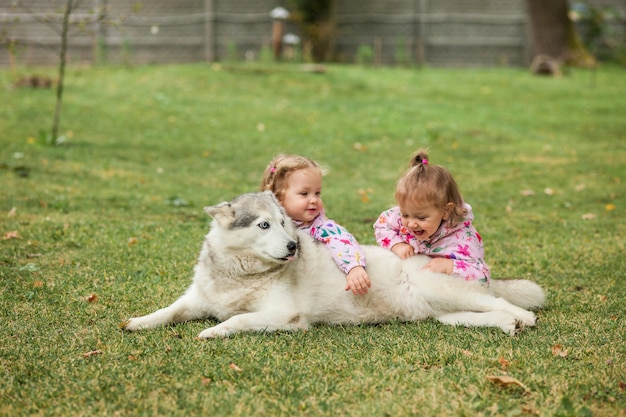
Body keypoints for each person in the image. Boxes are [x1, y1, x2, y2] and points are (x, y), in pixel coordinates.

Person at [373, 149, 490, 285]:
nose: (411, 224)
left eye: (421, 218)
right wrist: (397, 244)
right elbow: (382, 225)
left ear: (446, 211)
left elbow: (482, 275)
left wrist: (449, 266)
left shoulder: (463, 238)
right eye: (405, 214)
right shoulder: (400, 217)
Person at [260, 154, 371, 295]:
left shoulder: (320, 227)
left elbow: (341, 240)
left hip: (315, 287)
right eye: (304, 193)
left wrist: (354, 268)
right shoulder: (267, 226)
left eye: (317, 193)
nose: (313, 200)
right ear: (278, 198)